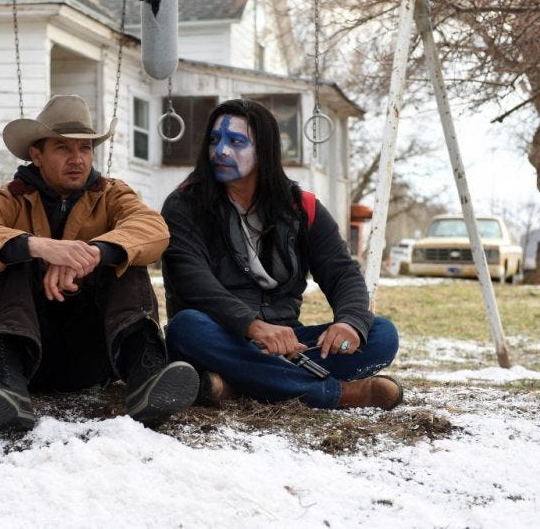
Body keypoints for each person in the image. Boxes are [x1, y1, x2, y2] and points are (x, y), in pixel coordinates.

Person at [0, 94, 199, 431]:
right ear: (36, 155)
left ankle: (147, 378)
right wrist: (38, 247)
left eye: (84, 148)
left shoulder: (112, 193)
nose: (77, 159)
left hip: (96, 355)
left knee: (125, 254)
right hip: (24, 362)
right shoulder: (8, 197)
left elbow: (154, 230)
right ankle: (6, 388)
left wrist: (95, 252)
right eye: (63, 148)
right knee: (7, 258)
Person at [161, 99, 402, 410]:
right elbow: (194, 284)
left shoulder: (302, 207)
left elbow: (342, 272)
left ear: (265, 150)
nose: (220, 151)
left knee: (381, 334)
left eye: (236, 141)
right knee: (186, 328)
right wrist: (253, 327)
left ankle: (236, 385)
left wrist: (350, 322)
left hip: (288, 343)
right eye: (213, 140)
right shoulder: (184, 206)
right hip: (222, 337)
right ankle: (338, 394)